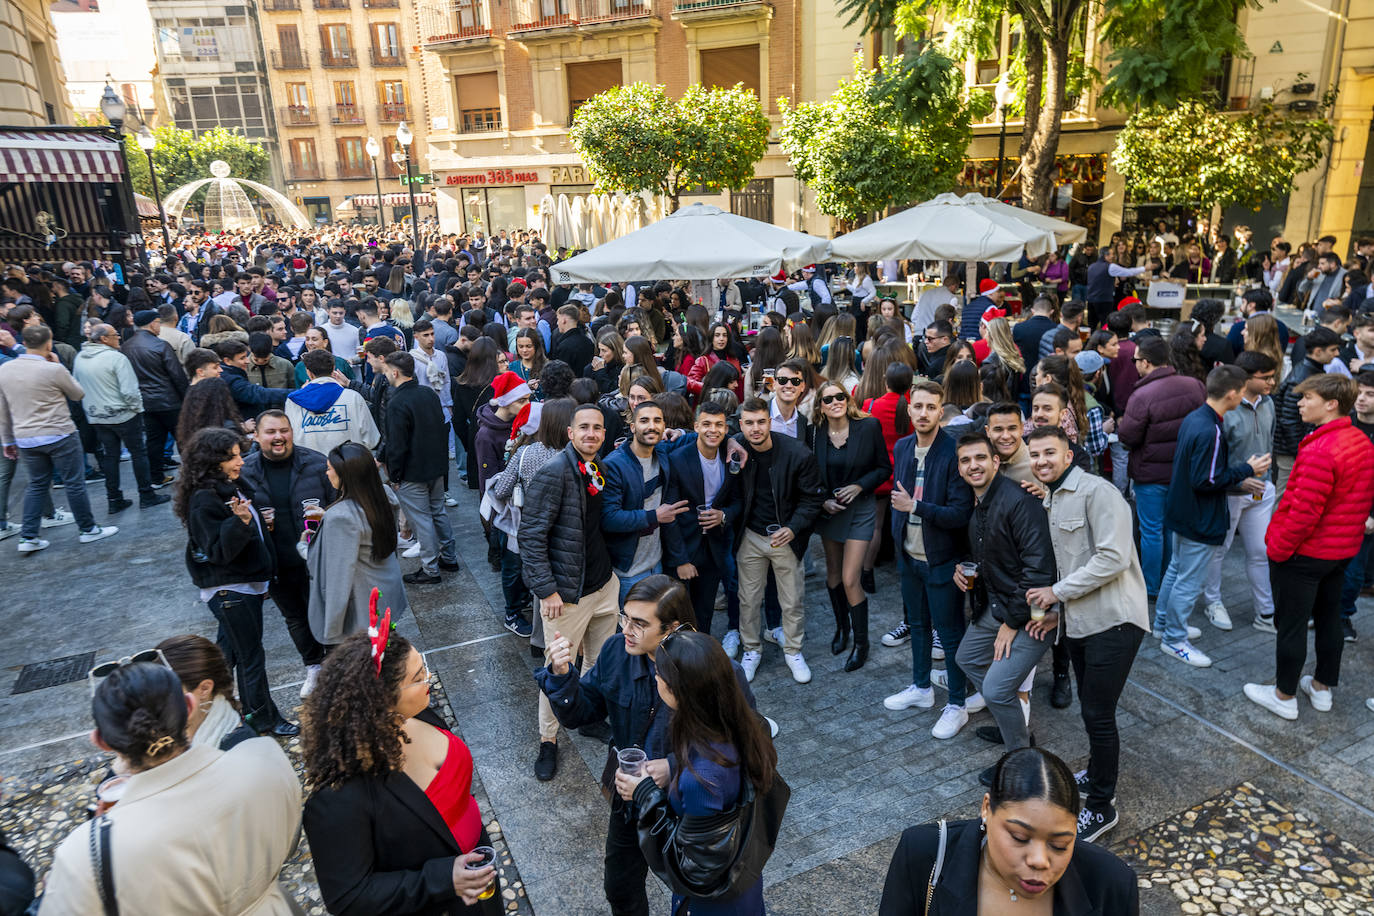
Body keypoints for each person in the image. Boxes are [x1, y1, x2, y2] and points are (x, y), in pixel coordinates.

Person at [39, 661, 302, 915]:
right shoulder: (264, 757)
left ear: (101, 741)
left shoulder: (86, 853)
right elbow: (289, 844)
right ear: (189, 705)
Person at [535, 576, 718, 916]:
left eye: (639, 623)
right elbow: (582, 712)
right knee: (619, 887)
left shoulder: (707, 666)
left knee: (693, 893)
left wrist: (673, 766)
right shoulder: (615, 651)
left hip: (687, 802)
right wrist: (561, 676)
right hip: (629, 798)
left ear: (672, 628)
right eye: (625, 617)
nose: (626, 630)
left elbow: (742, 743)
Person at [302, 631, 502, 916]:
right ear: (383, 698)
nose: (429, 680)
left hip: (479, 876)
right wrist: (443, 879)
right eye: (418, 677)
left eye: (425, 669)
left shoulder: (421, 713)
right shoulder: (338, 797)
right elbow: (348, 897)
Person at [1024, 425, 1149, 841]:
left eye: (1049, 453)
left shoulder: (1099, 492)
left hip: (1114, 621)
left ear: (1068, 455)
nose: (1041, 460)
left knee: (1099, 715)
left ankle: (1101, 806)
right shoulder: (1054, 496)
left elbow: (1113, 558)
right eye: (1035, 454)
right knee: (1093, 710)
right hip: (1080, 621)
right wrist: (1060, 608)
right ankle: (1096, 774)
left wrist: (1055, 593)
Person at [620, 629, 775, 916]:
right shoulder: (744, 724)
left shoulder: (701, 779)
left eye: (660, 675)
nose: (655, 677)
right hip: (744, 880)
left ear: (680, 692)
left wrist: (644, 793)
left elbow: (696, 868)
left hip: (715, 904)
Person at [1246, 375, 1374, 720]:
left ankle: (1283, 695)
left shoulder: (1322, 448)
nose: (1300, 403)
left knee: (1292, 625)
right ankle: (1321, 688)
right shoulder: (1358, 439)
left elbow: (1303, 511)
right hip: (1341, 550)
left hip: (1307, 553)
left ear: (1331, 404)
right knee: (1330, 618)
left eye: (1308, 398)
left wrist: (1276, 547)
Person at [878, 747, 1140, 915]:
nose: (1039, 860)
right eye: (1019, 837)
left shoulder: (1111, 883)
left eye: (1059, 844)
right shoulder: (923, 853)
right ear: (986, 808)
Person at [519, 403, 623, 780]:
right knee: (558, 670)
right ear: (570, 433)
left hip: (604, 586)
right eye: (584, 428)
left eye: (597, 428)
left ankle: (588, 718)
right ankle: (548, 741)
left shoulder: (597, 467)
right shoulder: (554, 473)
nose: (591, 433)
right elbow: (530, 536)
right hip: (566, 596)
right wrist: (546, 590)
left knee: (597, 662)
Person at [175, 426, 298, 737]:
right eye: (233, 457)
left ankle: (208, 715)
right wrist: (241, 522)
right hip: (232, 590)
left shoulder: (229, 486)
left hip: (244, 587)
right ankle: (263, 719)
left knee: (224, 657)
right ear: (213, 461)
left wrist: (255, 524)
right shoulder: (205, 498)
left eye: (240, 454)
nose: (241, 461)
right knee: (250, 657)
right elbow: (217, 550)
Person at [951, 432, 1056, 786]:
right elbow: (993, 554)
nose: (973, 465)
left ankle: (1019, 758)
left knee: (996, 689)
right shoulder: (980, 501)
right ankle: (1014, 722)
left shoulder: (1018, 501)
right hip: (997, 604)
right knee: (966, 658)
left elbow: (1038, 569)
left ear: (996, 462)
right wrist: (968, 570)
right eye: (965, 460)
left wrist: (1012, 622)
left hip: (1032, 613)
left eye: (980, 458)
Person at [1155, 366, 1271, 668]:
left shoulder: (1196, 418)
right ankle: (1174, 639)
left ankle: (1163, 625)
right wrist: (1247, 470)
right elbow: (1206, 480)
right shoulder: (1211, 430)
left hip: (1181, 512)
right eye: (1243, 390)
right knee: (1188, 581)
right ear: (1232, 394)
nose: (1244, 395)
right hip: (1198, 518)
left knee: (1176, 571)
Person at [882, 380, 978, 738]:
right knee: (919, 627)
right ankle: (921, 689)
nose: (923, 413)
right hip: (909, 556)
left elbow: (960, 512)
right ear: (909, 409)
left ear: (941, 411)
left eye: (930, 407)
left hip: (942, 559)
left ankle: (956, 704)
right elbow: (897, 499)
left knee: (950, 634)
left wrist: (915, 507)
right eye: (917, 406)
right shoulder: (905, 447)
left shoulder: (954, 451)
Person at [238, 410, 332, 695]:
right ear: (256, 436)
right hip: (277, 563)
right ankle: (314, 667)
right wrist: (254, 524)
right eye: (270, 432)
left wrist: (326, 514)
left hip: (319, 561)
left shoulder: (316, 463)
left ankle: (340, 666)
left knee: (330, 614)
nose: (278, 437)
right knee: (295, 617)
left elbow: (342, 504)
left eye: (284, 430)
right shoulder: (244, 472)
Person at [0, 324, 117, 553]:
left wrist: (7, 441)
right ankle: (88, 529)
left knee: (36, 485)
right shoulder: (53, 369)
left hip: (25, 437)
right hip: (59, 433)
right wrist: (57, 364)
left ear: (24, 342)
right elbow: (78, 393)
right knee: (74, 483)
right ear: (49, 343)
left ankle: (29, 536)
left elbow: (2, 409)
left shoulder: (5, 370)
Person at [733, 397, 825, 684]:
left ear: (770, 423)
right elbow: (703, 439)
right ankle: (751, 649)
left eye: (761, 422)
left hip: (783, 536)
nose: (756, 428)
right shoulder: (734, 445)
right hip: (749, 535)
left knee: (792, 598)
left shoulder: (797, 453)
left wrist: (793, 528)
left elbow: (813, 498)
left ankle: (794, 650)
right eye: (749, 423)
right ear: (740, 426)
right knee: (748, 599)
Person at [1117, 335, 1205, 596]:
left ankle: (1151, 586)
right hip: (1183, 473)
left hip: (1151, 475)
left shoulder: (1142, 395)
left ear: (1145, 362)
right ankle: (1169, 579)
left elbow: (1128, 437)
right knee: (1171, 529)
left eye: (1135, 361)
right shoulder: (1196, 386)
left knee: (1151, 531)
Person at [812, 381, 891, 672]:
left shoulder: (868, 427)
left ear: (848, 399)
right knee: (832, 574)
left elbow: (884, 467)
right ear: (820, 405)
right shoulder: (815, 433)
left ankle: (861, 643)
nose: (835, 402)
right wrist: (822, 502)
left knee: (849, 578)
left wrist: (860, 486)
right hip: (830, 512)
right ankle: (842, 629)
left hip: (860, 509)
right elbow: (809, 475)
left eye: (840, 396)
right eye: (828, 398)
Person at [1200, 351, 1280, 634]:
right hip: (1231, 492)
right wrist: (1239, 480)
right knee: (1219, 550)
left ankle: (1266, 612)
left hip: (1262, 491)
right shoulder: (1227, 409)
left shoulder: (1269, 403)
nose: (1272, 381)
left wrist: (1268, 479)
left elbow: (1269, 442)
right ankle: (1212, 602)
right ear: (1247, 379)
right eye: (1266, 377)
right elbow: (1217, 459)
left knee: (1260, 550)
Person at [306, 441, 408, 647]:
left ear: (346, 474)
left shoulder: (340, 517)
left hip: (363, 611)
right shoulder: (383, 495)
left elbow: (338, 578)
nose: (326, 474)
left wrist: (332, 629)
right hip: (388, 594)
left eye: (329, 469)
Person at [662, 401, 740, 639]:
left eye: (718, 425)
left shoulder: (732, 457)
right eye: (706, 424)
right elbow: (670, 516)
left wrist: (724, 515)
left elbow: (739, 499)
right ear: (695, 426)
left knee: (705, 612)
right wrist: (680, 560)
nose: (712, 430)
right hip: (685, 547)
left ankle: (702, 660)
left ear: (726, 429)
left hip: (715, 545)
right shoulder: (678, 460)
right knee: (680, 615)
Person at [383, 351, 460, 585]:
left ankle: (430, 568)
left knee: (422, 519)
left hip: (412, 471)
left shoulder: (397, 402)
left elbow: (396, 444)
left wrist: (394, 475)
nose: (385, 375)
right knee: (438, 512)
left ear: (395, 372)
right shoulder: (428, 393)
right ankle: (449, 557)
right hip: (435, 467)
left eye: (386, 371)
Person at [73, 322, 167, 512]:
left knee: (110, 456)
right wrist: (137, 409)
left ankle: (114, 499)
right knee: (138, 453)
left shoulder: (80, 357)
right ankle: (146, 494)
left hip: (97, 416)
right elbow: (130, 390)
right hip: (124, 414)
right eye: (115, 335)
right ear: (104, 339)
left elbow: (77, 386)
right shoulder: (116, 358)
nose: (119, 337)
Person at [121, 309, 190, 489]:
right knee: (184, 438)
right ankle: (192, 475)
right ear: (152, 323)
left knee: (153, 441)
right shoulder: (160, 345)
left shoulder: (126, 346)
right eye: (158, 322)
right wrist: (187, 398)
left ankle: (156, 477)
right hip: (169, 401)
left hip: (146, 403)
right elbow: (177, 375)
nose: (160, 326)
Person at [1273, 325, 1343, 496]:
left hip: (1297, 448)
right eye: (1333, 350)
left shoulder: (1311, 372)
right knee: (1285, 496)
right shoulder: (1301, 378)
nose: (1337, 354)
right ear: (1318, 351)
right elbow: (1289, 420)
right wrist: (1300, 450)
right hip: (1291, 451)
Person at [156, 633, 259, 750]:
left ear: (204, 689)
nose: (154, 704)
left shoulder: (240, 747)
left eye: (165, 694)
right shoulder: (176, 727)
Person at [285, 348, 381, 456]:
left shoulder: (293, 401)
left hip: (308, 465)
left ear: (308, 372)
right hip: (349, 465)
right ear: (333, 369)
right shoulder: (353, 397)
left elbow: (290, 438)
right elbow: (372, 440)